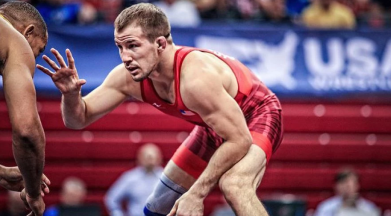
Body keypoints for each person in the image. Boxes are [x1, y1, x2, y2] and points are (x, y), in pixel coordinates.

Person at [37, 3, 283, 216]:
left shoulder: (196, 77)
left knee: (234, 185)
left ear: (161, 44)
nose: (125, 57)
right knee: (157, 206)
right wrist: (71, 95)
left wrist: (196, 194)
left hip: (256, 115)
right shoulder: (127, 77)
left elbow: (240, 139)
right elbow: (78, 119)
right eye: (119, 47)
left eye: (133, 46)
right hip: (213, 124)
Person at [0, 1, 49, 216]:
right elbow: (27, 131)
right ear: (28, 32)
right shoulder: (15, 40)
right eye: (37, 53)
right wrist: (33, 192)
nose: (32, 61)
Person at [105, 143, 164, 216]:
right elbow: (111, 198)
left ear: (159, 158)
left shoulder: (167, 178)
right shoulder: (130, 178)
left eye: (152, 156)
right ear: (139, 158)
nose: (150, 159)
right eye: (146, 156)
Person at [314, 168, 380, 216]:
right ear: (336, 186)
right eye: (343, 183)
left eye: (350, 185)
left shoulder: (369, 208)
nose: (347, 188)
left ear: (357, 186)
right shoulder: (325, 208)